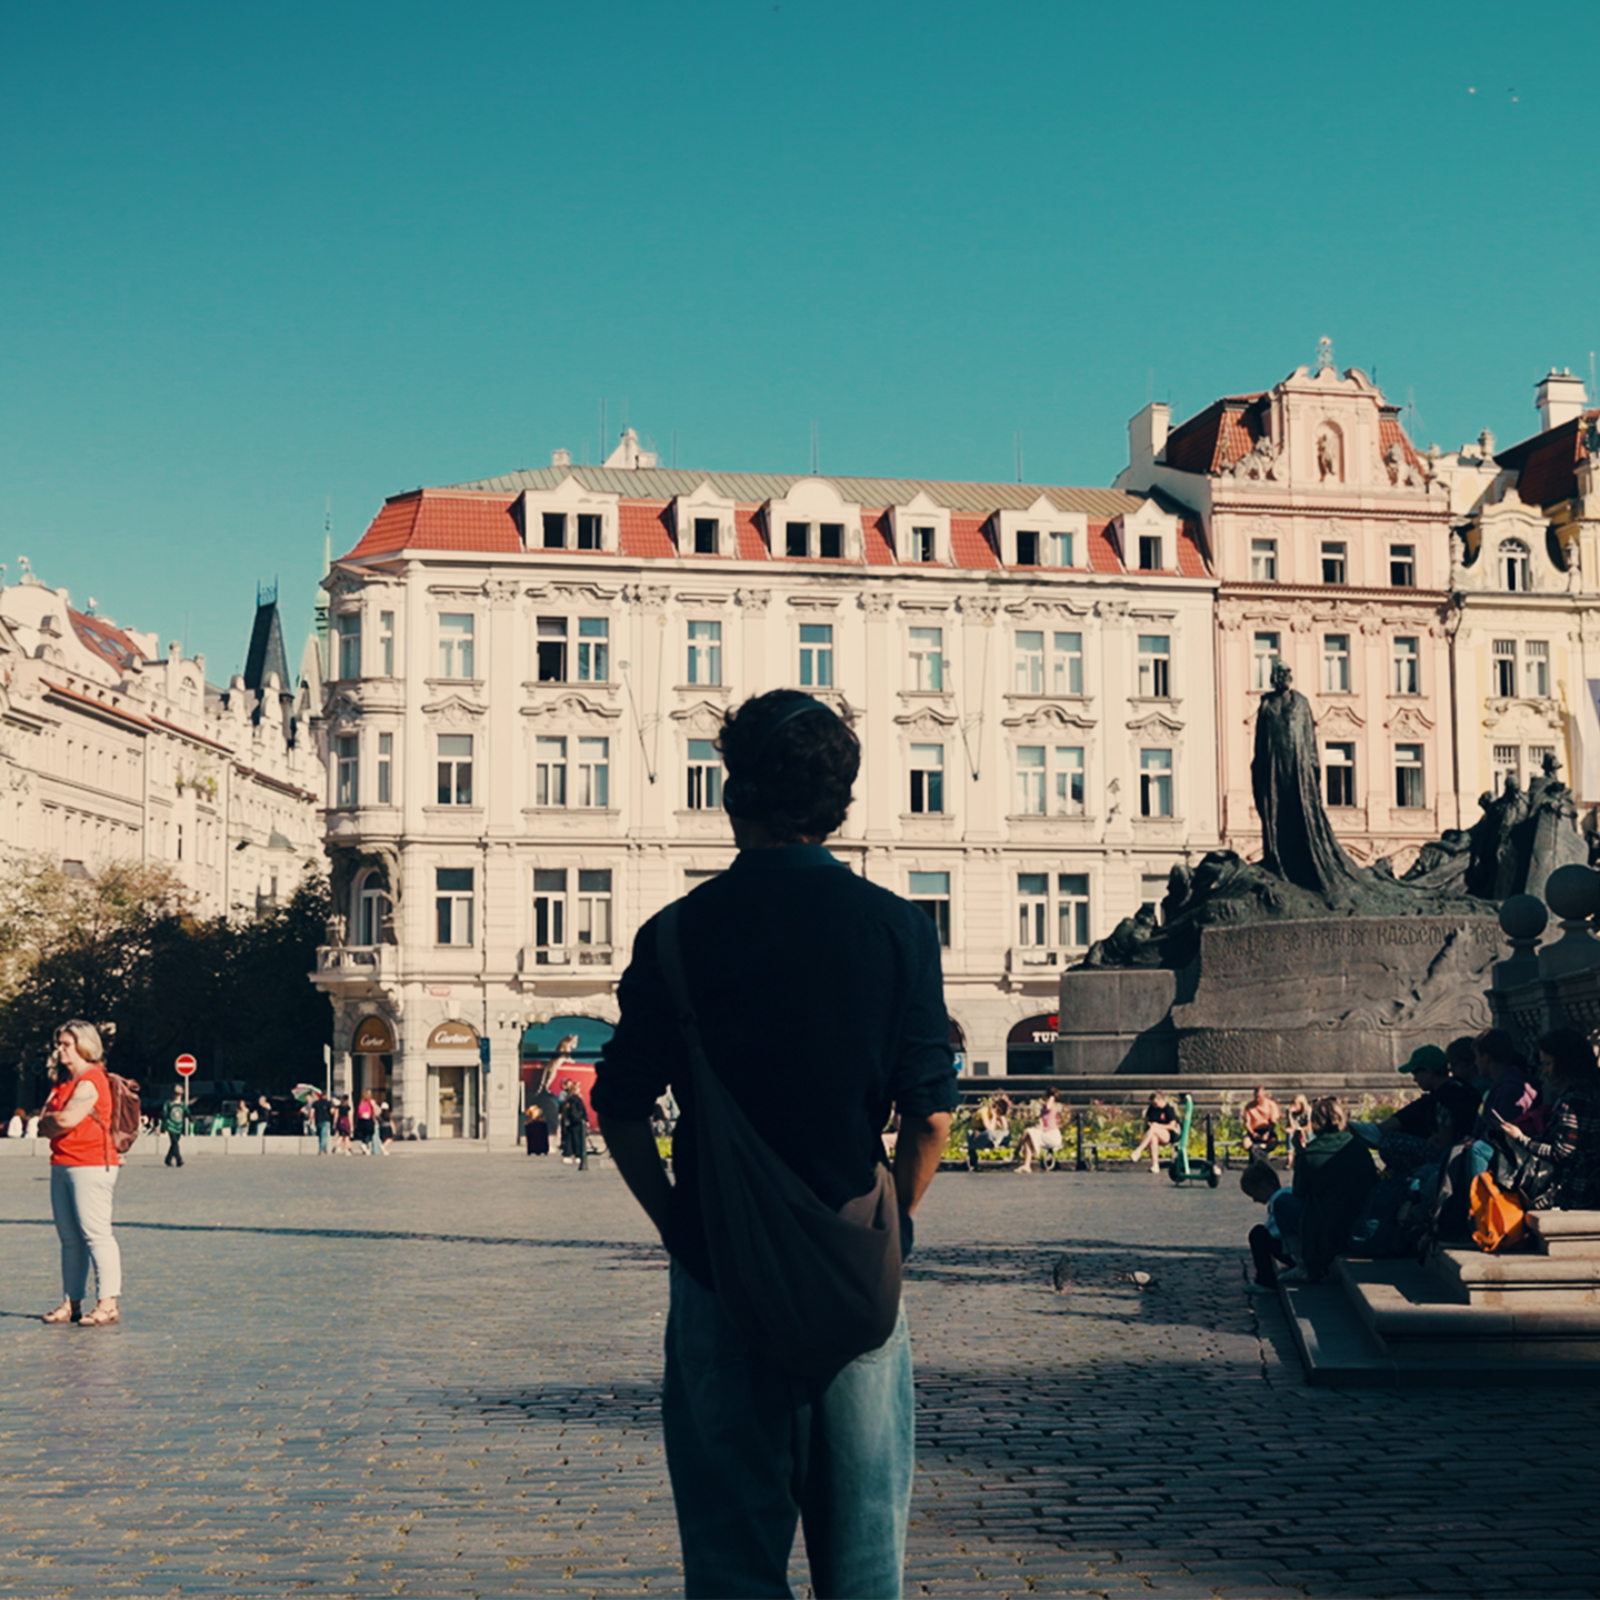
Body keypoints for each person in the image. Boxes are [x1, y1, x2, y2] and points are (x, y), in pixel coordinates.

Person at [594, 688, 957, 1599]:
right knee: (866, 1559)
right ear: (838, 803)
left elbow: (621, 1103)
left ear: (732, 793)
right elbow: (932, 1116)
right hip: (855, 1266)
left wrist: (679, 1223)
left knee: (731, 1561)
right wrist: (893, 1224)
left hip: (722, 1263)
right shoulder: (898, 928)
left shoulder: (676, 935)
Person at [37, 1020, 123, 1327]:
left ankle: (108, 1302)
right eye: (59, 1043)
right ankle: (70, 1302)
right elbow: (45, 1118)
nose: (60, 1049)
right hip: (61, 1162)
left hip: (91, 1163)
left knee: (96, 1234)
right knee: (69, 1238)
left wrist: (52, 1121)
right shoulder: (64, 1081)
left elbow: (63, 1120)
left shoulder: (91, 1079)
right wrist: (51, 1121)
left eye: (66, 1044)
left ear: (84, 1046)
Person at [1494, 1028, 1600, 1211]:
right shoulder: (1590, 1093)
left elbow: (1562, 1152)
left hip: (1572, 1191)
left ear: (1566, 1064)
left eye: (1548, 1064)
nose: (1544, 1071)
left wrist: (1521, 1138)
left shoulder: (1574, 1100)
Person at [1292, 1096, 1377, 1282]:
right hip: (1355, 1219)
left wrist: (1300, 1153)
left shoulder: (1310, 1154)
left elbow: (1299, 1191)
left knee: (1284, 1203)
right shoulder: (1358, 1148)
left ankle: (1302, 1261)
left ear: (1314, 1123)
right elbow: (1372, 1183)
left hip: (1321, 1225)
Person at [1240, 1163, 1301, 1290]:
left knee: (1258, 1234)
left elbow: (1276, 1232)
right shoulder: (1290, 1192)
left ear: (1262, 1186)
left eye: (1253, 1194)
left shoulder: (1278, 1200)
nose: (1254, 1200)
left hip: (1297, 1251)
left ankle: (1265, 1281)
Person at [1014, 1090, 1062, 1175]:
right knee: (1028, 1140)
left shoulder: (1051, 1105)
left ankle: (1016, 1152)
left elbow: (1048, 1107)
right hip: (1045, 1133)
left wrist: (1051, 1097)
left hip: (1052, 1135)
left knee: (1027, 1131)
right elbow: (1042, 1124)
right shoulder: (1043, 1109)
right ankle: (1026, 1165)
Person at [1131, 1091, 1180, 1173]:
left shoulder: (1169, 1109)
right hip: (1154, 1133)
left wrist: (1157, 1126)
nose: (1155, 1105)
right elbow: (1148, 1120)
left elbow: (1172, 1126)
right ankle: (1155, 1165)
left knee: (1154, 1129)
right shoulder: (1152, 1108)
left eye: (1156, 1103)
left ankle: (1139, 1150)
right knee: (1153, 1137)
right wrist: (1151, 1125)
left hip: (1168, 1134)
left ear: (1161, 1100)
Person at [965, 1095, 1011, 1171]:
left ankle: (996, 1142)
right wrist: (994, 1116)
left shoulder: (997, 1115)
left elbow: (1005, 1128)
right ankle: (996, 1142)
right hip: (975, 1137)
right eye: (998, 1106)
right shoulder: (984, 1111)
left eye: (1002, 1108)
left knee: (1006, 1133)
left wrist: (1001, 1116)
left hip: (990, 1137)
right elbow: (989, 1128)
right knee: (989, 1133)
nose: (999, 1109)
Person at [1243, 1086, 1282, 1160]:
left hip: (1268, 1130)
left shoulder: (1271, 1105)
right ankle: (1255, 1156)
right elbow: (1247, 1123)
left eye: (1259, 1097)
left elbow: (1274, 1121)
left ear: (1264, 1096)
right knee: (1246, 1143)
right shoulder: (1249, 1106)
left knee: (1272, 1142)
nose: (1257, 1099)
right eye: (1256, 1097)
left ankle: (1263, 1157)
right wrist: (1253, 1133)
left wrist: (1268, 1133)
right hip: (1254, 1131)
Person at [559, 1084, 589, 1171]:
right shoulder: (577, 1100)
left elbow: (562, 1109)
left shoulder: (567, 1099)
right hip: (578, 1121)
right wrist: (585, 1119)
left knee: (569, 1139)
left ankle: (568, 1154)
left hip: (570, 1121)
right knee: (578, 1139)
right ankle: (578, 1155)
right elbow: (583, 1110)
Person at [161, 1088, 189, 1168]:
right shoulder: (168, 1104)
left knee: (174, 1143)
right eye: (176, 1094)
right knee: (175, 1142)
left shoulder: (183, 1104)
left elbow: (186, 1112)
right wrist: (163, 1125)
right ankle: (179, 1159)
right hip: (171, 1125)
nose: (177, 1096)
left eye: (179, 1094)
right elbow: (165, 1114)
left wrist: (189, 1117)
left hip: (179, 1126)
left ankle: (168, 1159)